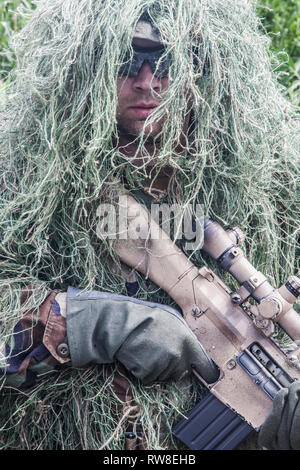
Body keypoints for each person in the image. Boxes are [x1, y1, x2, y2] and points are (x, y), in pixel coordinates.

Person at [0, 0, 299, 451]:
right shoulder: (27, 177)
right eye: (125, 61)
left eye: (166, 62)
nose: (147, 81)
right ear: (85, 68)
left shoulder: (264, 186)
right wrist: (100, 324)